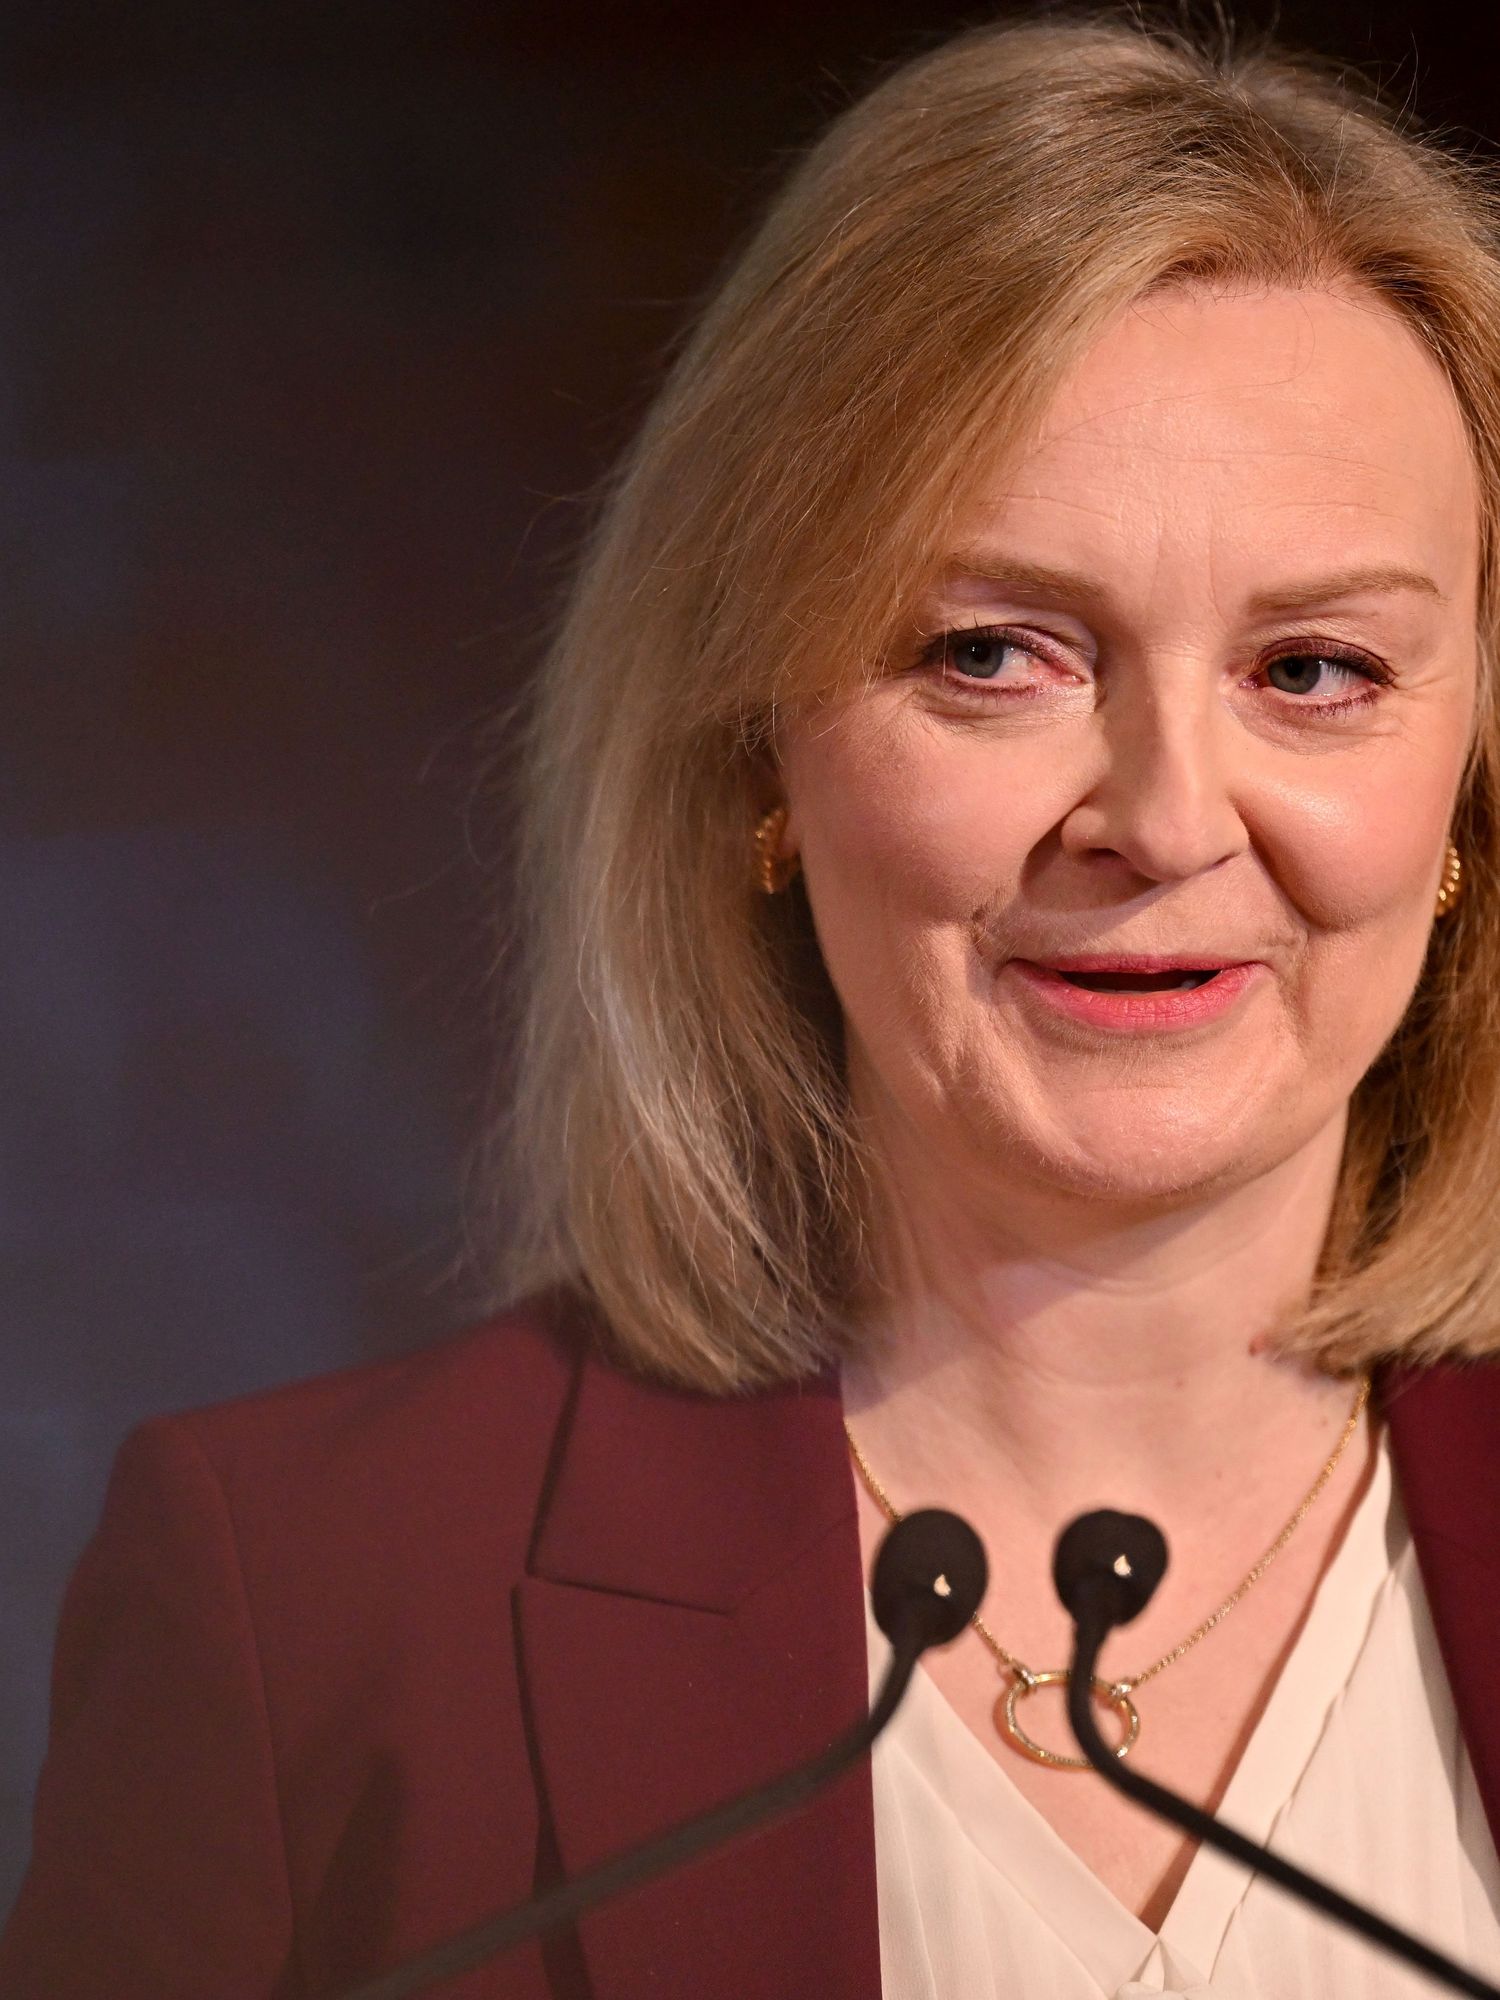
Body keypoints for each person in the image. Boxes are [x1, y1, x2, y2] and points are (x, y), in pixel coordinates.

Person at [6, 8, 1500, 1997]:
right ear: (756, 771)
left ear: (1470, 797)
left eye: (1314, 671)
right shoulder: (306, 1613)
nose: (1157, 817)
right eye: (994, 652)